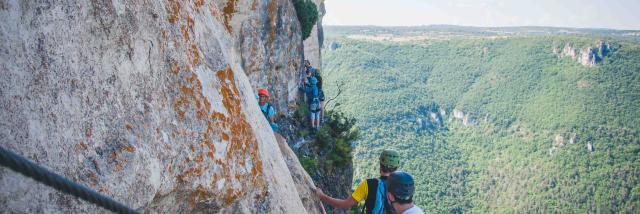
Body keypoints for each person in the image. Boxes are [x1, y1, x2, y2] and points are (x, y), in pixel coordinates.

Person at [316, 149, 401, 213]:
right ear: (397, 168)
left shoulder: (368, 184)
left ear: (380, 165)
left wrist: (322, 196)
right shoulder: (403, 187)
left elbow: (345, 205)